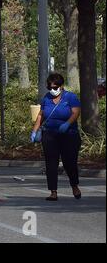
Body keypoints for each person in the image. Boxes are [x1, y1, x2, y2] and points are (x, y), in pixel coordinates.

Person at [31, 73, 82, 201]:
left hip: (69, 135)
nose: (52, 90)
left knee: (69, 162)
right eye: (50, 88)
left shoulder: (70, 97)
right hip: (50, 135)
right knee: (51, 163)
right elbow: (41, 116)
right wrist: (34, 131)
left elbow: (76, 112)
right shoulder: (46, 98)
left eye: (55, 87)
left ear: (61, 86)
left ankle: (74, 186)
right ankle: (53, 192)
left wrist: (67, 124)